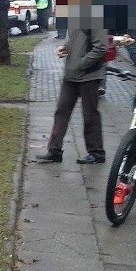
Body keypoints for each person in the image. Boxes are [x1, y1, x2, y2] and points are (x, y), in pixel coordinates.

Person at [35, 21, 108, 164]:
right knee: (61, 111)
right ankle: (54, 151)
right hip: (71, 75)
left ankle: (97, 153)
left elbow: (100, 48)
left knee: (90, 115)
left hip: (89, 75)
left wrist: (80, 64)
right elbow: (76, 41)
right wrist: (66, 48)